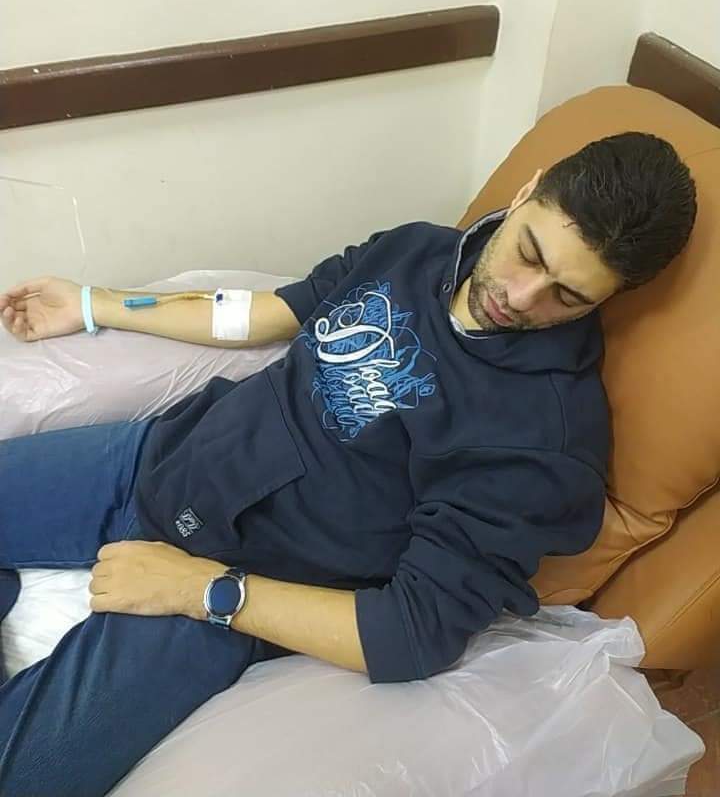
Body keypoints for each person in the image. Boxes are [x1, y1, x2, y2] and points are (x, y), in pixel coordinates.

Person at [0, 132, 697, 796]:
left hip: (228, 579)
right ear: (526, 192)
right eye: (529, 253)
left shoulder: (542, 440)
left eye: (568, 296)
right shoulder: (415, 251)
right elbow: (272, 312)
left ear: (611, 299)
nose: (520, 298)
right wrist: (95, 304)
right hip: (163, 457)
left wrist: (202, 591)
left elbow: (414, 632)